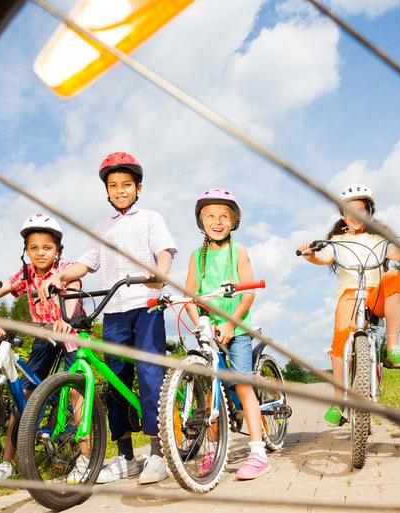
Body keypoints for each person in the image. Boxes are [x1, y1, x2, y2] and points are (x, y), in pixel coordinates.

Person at [44, 151, 177, 485]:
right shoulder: (102, 227)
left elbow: (164, 252)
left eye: (126, 185)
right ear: (106, 191)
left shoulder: (150, 218)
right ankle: (126, 456)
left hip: (146, 306)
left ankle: (159, 453)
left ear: (138, 188)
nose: (120, 190)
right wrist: (59, 277)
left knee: (149, 377)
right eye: (114, 185)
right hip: (114, 310)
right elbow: (87, 263)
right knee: (115, 380)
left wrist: (159, 275)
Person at [0, 213, 87, 481]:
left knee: (75, 393)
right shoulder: (27, 273)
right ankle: (6, 462)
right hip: (42, 336)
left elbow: (74, 286)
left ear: (58, 249)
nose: (40, 253)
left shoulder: (64, 269)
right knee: (23, 392)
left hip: (70, 333)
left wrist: (65, 317)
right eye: (33, 248)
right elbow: (1, 289)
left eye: (47, 247)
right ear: (26, 251)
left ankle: (85, 456)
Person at [298, 184, 400, 427]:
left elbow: (397, 253)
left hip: (377, 294)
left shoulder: (379, 238)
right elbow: (323, 257)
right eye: (348, 211)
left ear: (370, 212)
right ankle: (338, 400)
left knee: (394, 277)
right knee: (341, 336)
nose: (355, 215)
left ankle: (393, 347)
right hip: (350, 295)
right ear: (343, 216)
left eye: (361, 210)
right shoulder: (337, 240)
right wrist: (310, 255)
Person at [184, 188, 269, 480]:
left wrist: (232, 324)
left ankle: (258, 451)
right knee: (210, 390)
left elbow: (248, 293)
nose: (217, 221)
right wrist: (199, 322)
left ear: (234, 221)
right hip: (209, 328)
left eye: (224, 216)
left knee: (242, 384)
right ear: (201, 221)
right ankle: (211, 450)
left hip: (237, 326)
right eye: (210, 216)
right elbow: (190, 295)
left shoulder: (238, 251)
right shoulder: (197, 256)